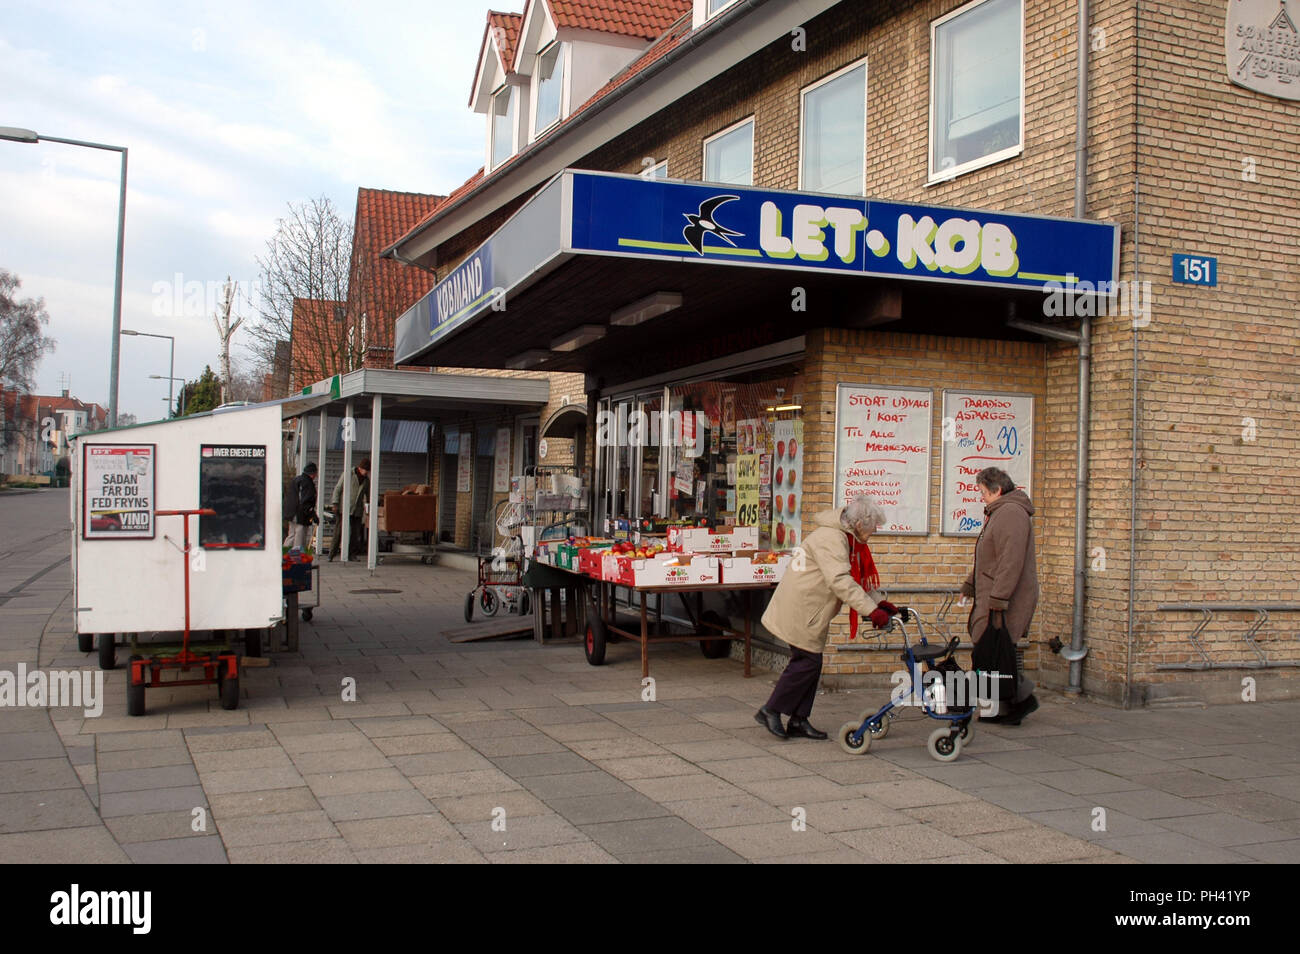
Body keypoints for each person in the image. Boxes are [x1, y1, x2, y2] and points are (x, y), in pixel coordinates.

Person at [756, 496, 898, 740]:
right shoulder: (833, 539)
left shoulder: (844, 537)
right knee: (806, 662)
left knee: (811, 662)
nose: (875, 530)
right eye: (873, 525)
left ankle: (799, 719)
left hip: (809, 606)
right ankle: (771, 709)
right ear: (860, 523)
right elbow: (840, 581)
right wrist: (871, 611)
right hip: (802, 607)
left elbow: (855, 577)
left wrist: (877, 603)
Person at [961, 466, 1039, 725]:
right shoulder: (1001, 512)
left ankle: (1013, 704)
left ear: (996, 490)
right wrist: (970, 585)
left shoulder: (1010, 514)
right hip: (994, 594)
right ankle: (1005, 705)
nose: (981, 497)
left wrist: (999, 598)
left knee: (992, 650)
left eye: (983, 492)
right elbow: (988, 556)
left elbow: (1010, 560)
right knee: (994, 650)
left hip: (1003, 598)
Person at [328, 457, 370, 561]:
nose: (367, 473)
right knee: (339, 532)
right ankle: (331, 554)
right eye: (366, 470)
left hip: (357, 510)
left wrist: (369, 506)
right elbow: (338, 488)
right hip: (344, 508)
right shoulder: (348, 474)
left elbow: (368, 494)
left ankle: (352, 554)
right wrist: (335, 503)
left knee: (355, 534)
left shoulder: (366, 481)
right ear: (360, 468)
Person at [282, 462, 319, 551]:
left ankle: (284, 556)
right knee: (299, 537)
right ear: (312, 474)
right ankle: (296, 560)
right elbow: (305, 501)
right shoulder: (307, 483)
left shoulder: (296, 480)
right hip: (300, 515)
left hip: (291, 513)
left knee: (291, 535)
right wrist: (312, 514)